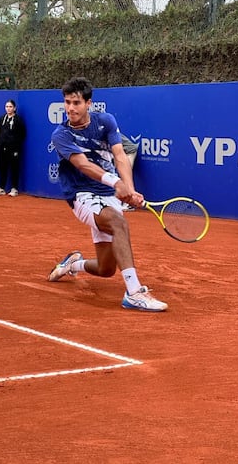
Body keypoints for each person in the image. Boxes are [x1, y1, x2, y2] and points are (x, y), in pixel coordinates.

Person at [48, 77, 167, 312]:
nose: (70, 108)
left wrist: (129, 188)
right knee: (118, 222)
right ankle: (134, 293)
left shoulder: (106, 122)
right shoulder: (61, 135)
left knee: (105, 269)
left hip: (107, 195)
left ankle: (73, 265)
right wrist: (116, 182)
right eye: (67, 102)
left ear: (88, 103)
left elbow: (120, 156)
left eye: (76, 103)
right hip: (81, 194)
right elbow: (83, 165)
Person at [0, 99, 26, 197]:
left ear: (14, 108)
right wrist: (1, 142)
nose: (8, 108)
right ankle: (1, 188)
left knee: (14, 168)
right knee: (2, 167)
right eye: (7, 106)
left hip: (14, 148)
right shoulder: (2, 119)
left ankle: (14, 188)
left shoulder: (18, 120)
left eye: (10, 107)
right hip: (2, 147)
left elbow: (22, 134)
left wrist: (16, 145)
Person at [120, 133, 139, 211]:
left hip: (129, 152)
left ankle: (128, 203)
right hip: (117, 153)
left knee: (125, 176)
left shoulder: (104, 128)